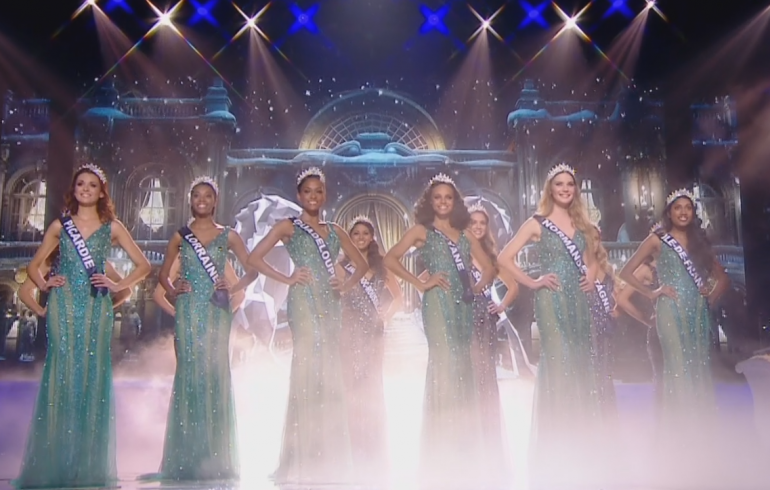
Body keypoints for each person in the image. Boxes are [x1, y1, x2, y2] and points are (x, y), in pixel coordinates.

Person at [14, 163, 151, 489]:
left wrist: (117, 286)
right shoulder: (60, 226)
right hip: (63, 307)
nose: (86, 189)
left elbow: (143, 265)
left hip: (95, 309)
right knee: (62, 373)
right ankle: (57, 460)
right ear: (73, 190)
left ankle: (86, 462)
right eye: (80, 184)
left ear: (102, 192)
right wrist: (45, 286)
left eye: (92, 185)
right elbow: (34, 267)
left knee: (92, 373)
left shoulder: (112, 227)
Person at [247, 167, 368, 485]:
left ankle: (327, 453)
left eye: (319, 191)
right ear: (299, 196)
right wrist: (287, 278)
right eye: (307, 191)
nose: (313, 196)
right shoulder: (288, 226)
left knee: (328, 370)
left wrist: (345, 285)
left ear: (325, 195)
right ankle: (301, 455)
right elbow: (254, 258)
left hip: (330, 304)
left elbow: (362, 264)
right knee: (306, 368)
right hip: (303, 302)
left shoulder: (336, 230)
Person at [384, 173, 494, 490]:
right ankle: (441, 441)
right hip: (436, 305)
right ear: (429, 202)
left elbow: (489, 267)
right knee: (444, 363)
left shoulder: (464, 234)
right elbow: (390, 259)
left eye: (448, 197)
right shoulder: (421, 231)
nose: (443, 202)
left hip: (463, 305)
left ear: (454, 201)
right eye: (437, 198)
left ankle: (462, 442)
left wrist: (475, 288)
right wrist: (420, 283)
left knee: (461, 364)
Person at [497, 163, 603, 489]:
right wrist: (533, 281)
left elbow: (594, 260)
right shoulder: (536, 223)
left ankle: (579, 439)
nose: (565, 189)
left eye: (570, 184)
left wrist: (591, 277)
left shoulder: (584, 225)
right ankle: (555, 441)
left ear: (575, 189)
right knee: (558, 362)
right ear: (550, 189)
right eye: (559, 184)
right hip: (551, 300)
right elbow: (504, 258)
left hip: (578, 301)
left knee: (579, 363)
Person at [153, 176, 257, 482]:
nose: (202, 199)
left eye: (207, 195)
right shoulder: (180, 237)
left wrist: (232, 287)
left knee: (214, 374)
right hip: (188, 312)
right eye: (196, 195)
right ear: (190, 200)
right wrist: (174, 290)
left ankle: (215, 455)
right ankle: (186, 455)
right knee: (189, 373)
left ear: (215, 201)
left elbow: (253, 269)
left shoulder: (228, 236)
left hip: (216, 313)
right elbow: (162, 275)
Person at [619, 189, 728, 448]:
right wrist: (652, 292)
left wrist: (709, 297)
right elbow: (626, 271)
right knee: (677, 368)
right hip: (669, 310)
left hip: (697, 312)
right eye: (677, 208)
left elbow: (723, 279)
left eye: (688, 208)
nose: (683, 212)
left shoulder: (700, 243)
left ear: (693, 212)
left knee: (698, 367)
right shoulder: (657, 240)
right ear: (669, 212)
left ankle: (701, 434)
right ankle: (678, 435)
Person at [336, 216, 403, 483]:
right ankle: (352, 443)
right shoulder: (341, 267)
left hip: (373, 335)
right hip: (348, 333)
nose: (361, 237)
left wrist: (384, 316)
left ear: (372, 238)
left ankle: (373, 443)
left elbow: (398, 298)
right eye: (356, 233)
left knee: (371, 385)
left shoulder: (381, 267)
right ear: (349, 238)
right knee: (350, 385)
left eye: (365, 233)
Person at [466, 203, 517, 485]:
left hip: (484, 322)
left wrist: (501, 307)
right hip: (461, 320)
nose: (477, 226)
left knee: (484, 376)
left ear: (487, 228)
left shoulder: (491, 257)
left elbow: (513, 286)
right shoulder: (458, 252)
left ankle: (487, 435)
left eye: (482, 223)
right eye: (473, 222)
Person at [587, 226, 619, 416]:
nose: (593, 243)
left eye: (596, 238)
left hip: (606, 327)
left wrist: (616, 308)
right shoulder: (577, 268)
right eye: (588, 238)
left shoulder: (607, 268)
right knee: (590, 371)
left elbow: (615, 296)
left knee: (606, 371)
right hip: (587, 327)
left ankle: (607, 414)